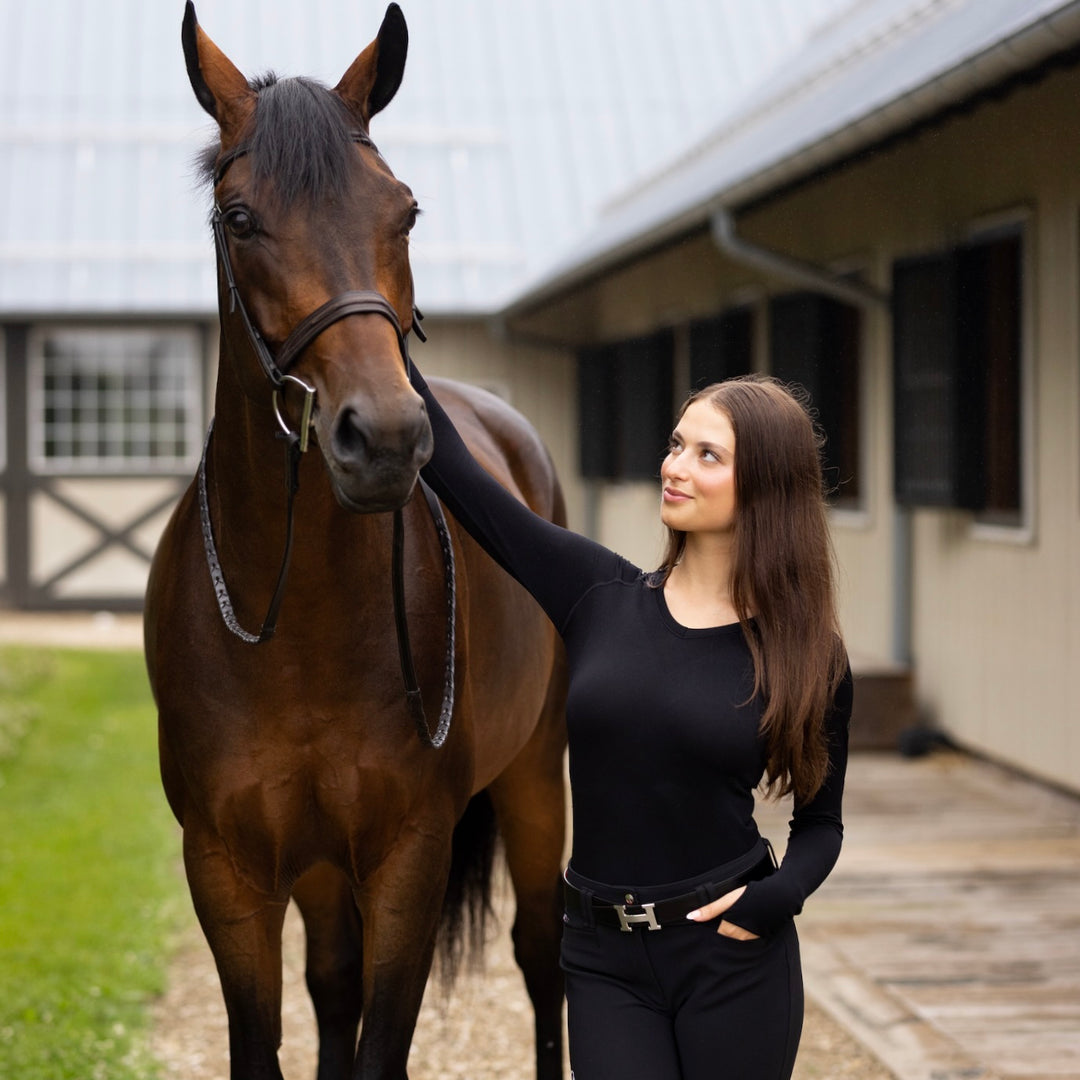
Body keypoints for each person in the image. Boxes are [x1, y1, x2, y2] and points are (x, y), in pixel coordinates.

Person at [410, 366, 853, 1080]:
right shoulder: (596, 595)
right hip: (601, 957)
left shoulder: (807, 655)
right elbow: (460, 476)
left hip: (730, 957)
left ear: (766, 486)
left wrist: (775, 899)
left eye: (707, 455)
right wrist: (383, 324)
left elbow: (821, 823)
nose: (674, 467)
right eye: (677, 444)